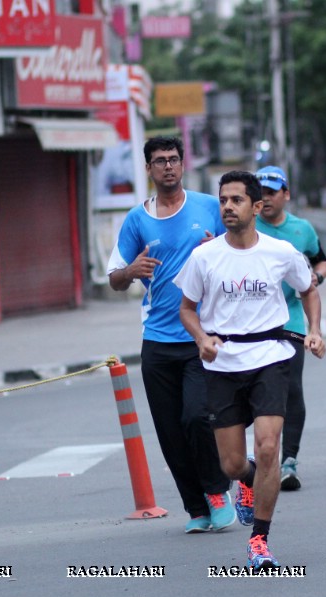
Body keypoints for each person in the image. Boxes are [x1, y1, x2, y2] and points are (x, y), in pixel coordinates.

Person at [175, 170, 325, 571]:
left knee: (267, 447)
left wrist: (313, 330)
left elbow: (308, 288)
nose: (227, 206)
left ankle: (259, 539)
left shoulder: (280, 252)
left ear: (256, 207)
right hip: (223, 362)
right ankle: (248, 480)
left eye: (236, 199)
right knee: (231, 464)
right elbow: (186, 309)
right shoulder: (204, 257)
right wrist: (202, 339)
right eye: (223, 199)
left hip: (271, 357)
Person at [108, 136, 236, 535]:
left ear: (183, 164)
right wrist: (131, 271)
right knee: (169, 432)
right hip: (157, 341)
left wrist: (221, 249)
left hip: (200, 337)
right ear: (148, 168)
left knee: (197, 417)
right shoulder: (136, 220)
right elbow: (114, 277)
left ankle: (217, 490)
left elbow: (240, 249)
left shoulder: (208, 208)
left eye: (174, 159)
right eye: (160, 160)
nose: (168, 166)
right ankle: (196, 508)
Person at [254, 165, 326, 491]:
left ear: (286, 194)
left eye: (272, 192)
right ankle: (258, 455)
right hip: (252, 324)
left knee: (291, 390)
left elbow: (322, 260)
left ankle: (289, 460)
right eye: (260, 193)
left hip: (291, 322)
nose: (265, 198)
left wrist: (318, 277)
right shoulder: (246, 226)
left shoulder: (301, 230)